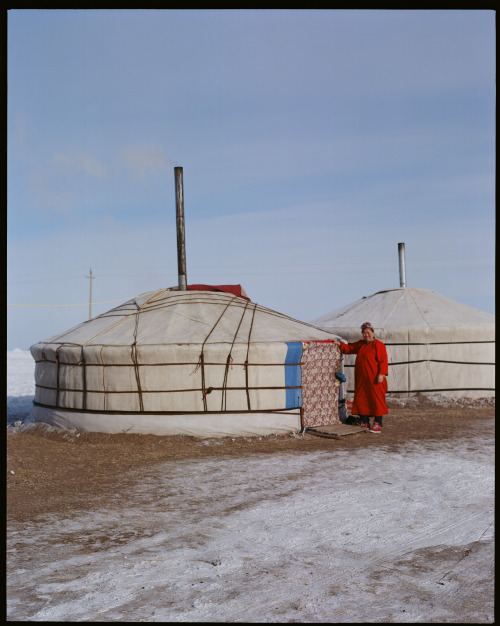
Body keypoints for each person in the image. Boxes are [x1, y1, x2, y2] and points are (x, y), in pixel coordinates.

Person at [332, 322, 388, 433]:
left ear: (372, 332)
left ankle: (377, 423)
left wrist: (381, 374)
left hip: (375, 379)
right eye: (364, 333)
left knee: (376, 400)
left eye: (368, 333)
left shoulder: (378, 345)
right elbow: (349, 348)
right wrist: (339, 344)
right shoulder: (361, 344)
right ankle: (365, 421)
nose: (366, 335)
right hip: (362, 379)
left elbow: (383, 361)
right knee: (362, 399)